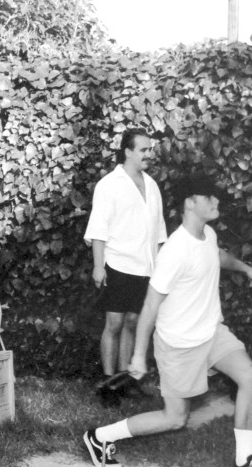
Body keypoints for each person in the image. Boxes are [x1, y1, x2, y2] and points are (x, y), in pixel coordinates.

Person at [83, 174, 252, 467]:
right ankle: (99, 437)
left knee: (250, 376)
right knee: (175, 419)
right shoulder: (174, 252)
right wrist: (138, 355)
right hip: (179, 343)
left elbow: (216, 255)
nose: (216, 201)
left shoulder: (208, 234)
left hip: (211, 332)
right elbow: (150, 306)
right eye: (209, 197)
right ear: (190, 203)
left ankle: (244, 460)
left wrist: (244, 267)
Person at [84, 129, 167, 396]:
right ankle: (108, 384)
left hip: (146, 268)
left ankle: (125, 382)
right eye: (143, 150)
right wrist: (99, 267)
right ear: (128, 151)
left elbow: (159, 232)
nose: (149, 155)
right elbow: (98, 229)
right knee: (115, 324)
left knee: (133, 323)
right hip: (118, 265)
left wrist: (162, 268)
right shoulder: (109, 184)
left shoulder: (152, 185)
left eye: (150, 150)